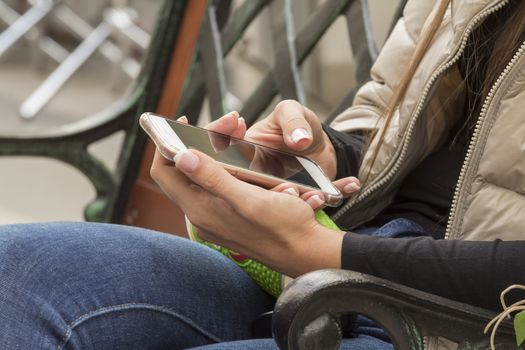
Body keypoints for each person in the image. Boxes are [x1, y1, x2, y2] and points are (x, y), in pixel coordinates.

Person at [1, 0, 525, 348]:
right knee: (14, 272)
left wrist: (316, 251)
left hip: (468, 322)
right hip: (342, 261)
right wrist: (327, 157)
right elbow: (390, 121)